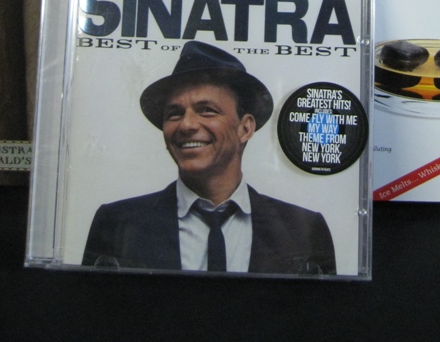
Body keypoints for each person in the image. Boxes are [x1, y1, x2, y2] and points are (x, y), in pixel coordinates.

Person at [82, 41, 336, 275]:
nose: (187, 125)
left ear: (245, 128)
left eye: (206, 110)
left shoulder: (304, 231)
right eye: (174, 114)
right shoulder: (116, 225)